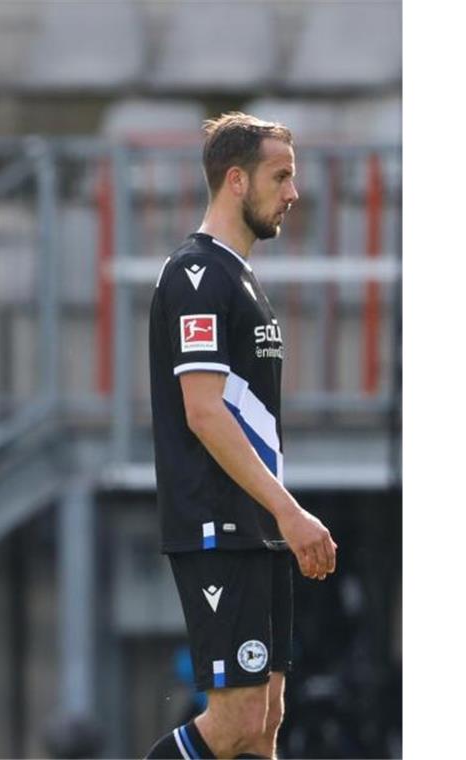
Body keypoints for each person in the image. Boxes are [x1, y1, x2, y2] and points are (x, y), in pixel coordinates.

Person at [143, 113, 338, 760]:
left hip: (257, 527)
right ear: (235, 180)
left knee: (265, 723)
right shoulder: (197, 276)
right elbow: (203, 412)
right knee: (233, 721)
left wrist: (277, 518)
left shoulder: (243, 280)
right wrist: (290, 509)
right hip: (217, 524)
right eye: (280, 176)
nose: (293, 192)